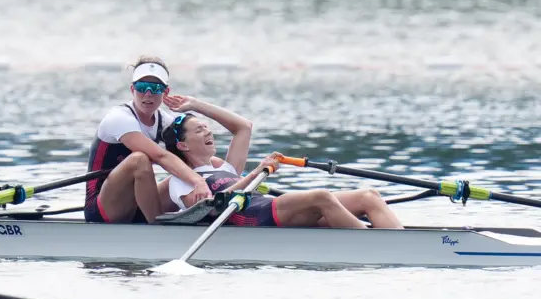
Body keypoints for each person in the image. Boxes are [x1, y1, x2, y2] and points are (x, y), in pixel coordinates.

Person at [161, 95, 404, 229]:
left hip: (273, 207)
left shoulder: (225, 168)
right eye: (199, 130)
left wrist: (195, 104)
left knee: (368, 196)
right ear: (182, 145)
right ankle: (375, 243)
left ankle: (402, 241)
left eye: (206, 127)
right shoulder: (181, 181)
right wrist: (256, 172)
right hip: (256, 218)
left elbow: (243, 127)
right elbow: (211, 209)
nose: (209, 132)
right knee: (321, 196)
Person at [84, 56, 212, 224]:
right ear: (132, 90)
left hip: (135, 203)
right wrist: (198, 181)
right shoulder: (119, 118)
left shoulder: (164, 121)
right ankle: (157, 226)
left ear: (165, 92)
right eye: (142, 87)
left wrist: (196, 105)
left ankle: (215, 206)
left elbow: (195, 151)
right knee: (139, 159)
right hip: (102, 208)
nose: (148, 94)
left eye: (155, 88)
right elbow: (160, 156)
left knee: (192, 160)